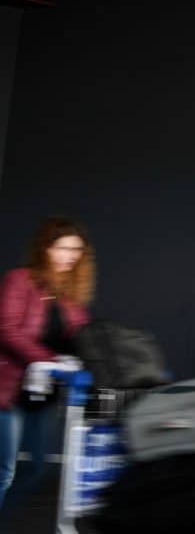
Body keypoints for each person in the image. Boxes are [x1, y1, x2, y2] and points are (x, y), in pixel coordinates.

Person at [0, 217, 93, 514]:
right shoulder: (20, 279)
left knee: (38, 467)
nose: (69, 255)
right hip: (9, 387)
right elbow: (7, 329)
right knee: (6, 470)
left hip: (44, 391)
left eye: (75, 249)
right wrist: (51, 360)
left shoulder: (68, 296)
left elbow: (82, 335)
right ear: (45, 249)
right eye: (62, 247)